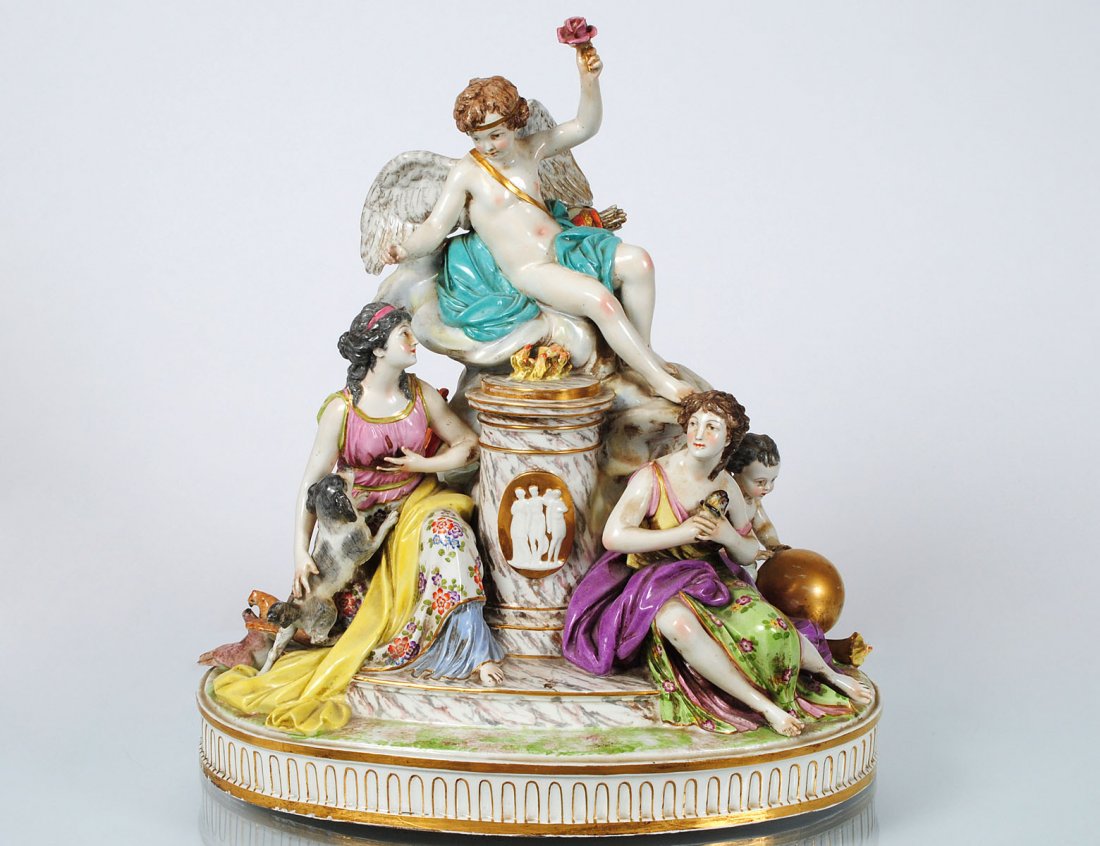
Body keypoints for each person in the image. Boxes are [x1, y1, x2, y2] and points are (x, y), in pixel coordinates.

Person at [213, 303, 504, 735]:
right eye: (404, 334)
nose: (414, 341)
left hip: (417, 502)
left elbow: (468, 444)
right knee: (329, 601)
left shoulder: (420, 395)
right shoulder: (342, 410)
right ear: (378, 348)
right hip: (359, 522)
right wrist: (299, 552)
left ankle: (472, 651)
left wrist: (421, 466)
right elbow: (312, 486)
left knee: (450, 534)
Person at [382, 51, 694, 404]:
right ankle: (658, 381)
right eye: (477, 139)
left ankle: (642, 355)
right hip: (531, 269)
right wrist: (405, 248)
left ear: (515, 123)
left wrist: (588, 80)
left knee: (640, 262)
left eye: (496, 135)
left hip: (566, 246)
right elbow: (436, 225)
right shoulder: (467, 173)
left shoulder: (531, 149)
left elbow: (584, 126)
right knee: (600, 301)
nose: (487, 147)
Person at [562, 392, 871, 737]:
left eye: (711, 427)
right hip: (656, 580)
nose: (698, 433)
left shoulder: (726, 485)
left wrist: (728, 536)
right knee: (679, 626)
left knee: (769, 625)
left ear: (728, 438)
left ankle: (829, 675)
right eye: (694, 423)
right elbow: (614, 536)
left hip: (711, 576)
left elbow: (748, 551)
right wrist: (680, 533)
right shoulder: (654, 477)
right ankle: (763, 706)